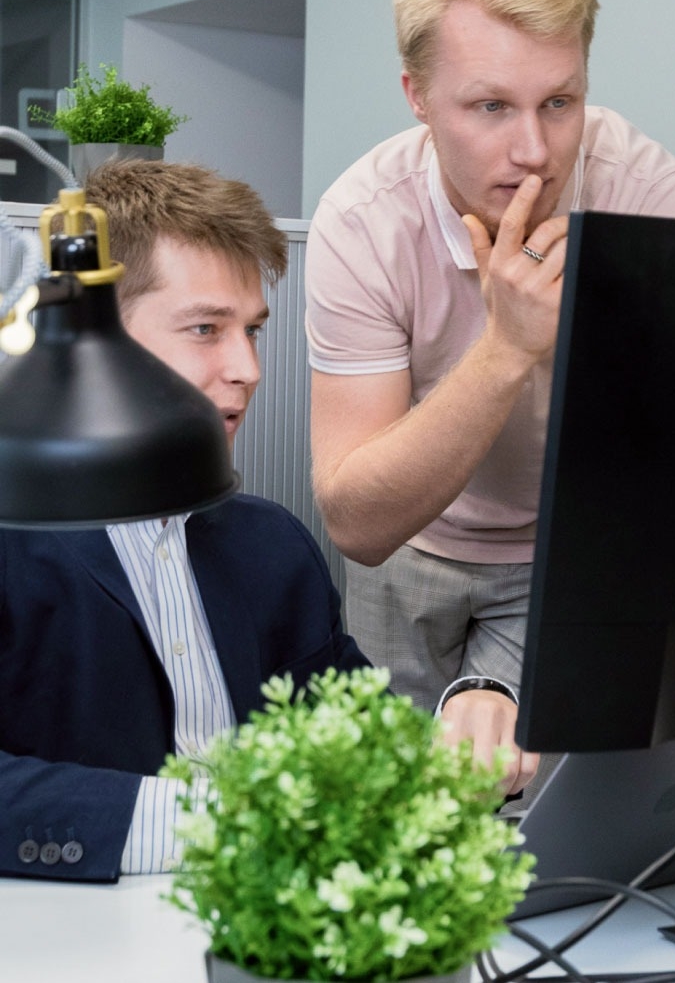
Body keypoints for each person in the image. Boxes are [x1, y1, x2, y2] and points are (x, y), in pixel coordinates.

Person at [304, 0, 675, 813]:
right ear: (418, 96)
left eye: (560, 103)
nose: (535, 153)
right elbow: (359, 519)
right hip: (408, 552)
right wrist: (507, 348)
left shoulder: (647, 193)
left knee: (566, 836)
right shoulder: (362, 223)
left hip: (572, 556)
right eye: (490, 108)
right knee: (406, 835)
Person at [0, 159, 534, 884]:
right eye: (204, 329)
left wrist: (473, 718)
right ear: (91, 335)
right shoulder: (15, 542)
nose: (248, 367)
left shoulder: (271, 546)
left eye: (250, 330)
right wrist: (226, 820)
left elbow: (362, 746)